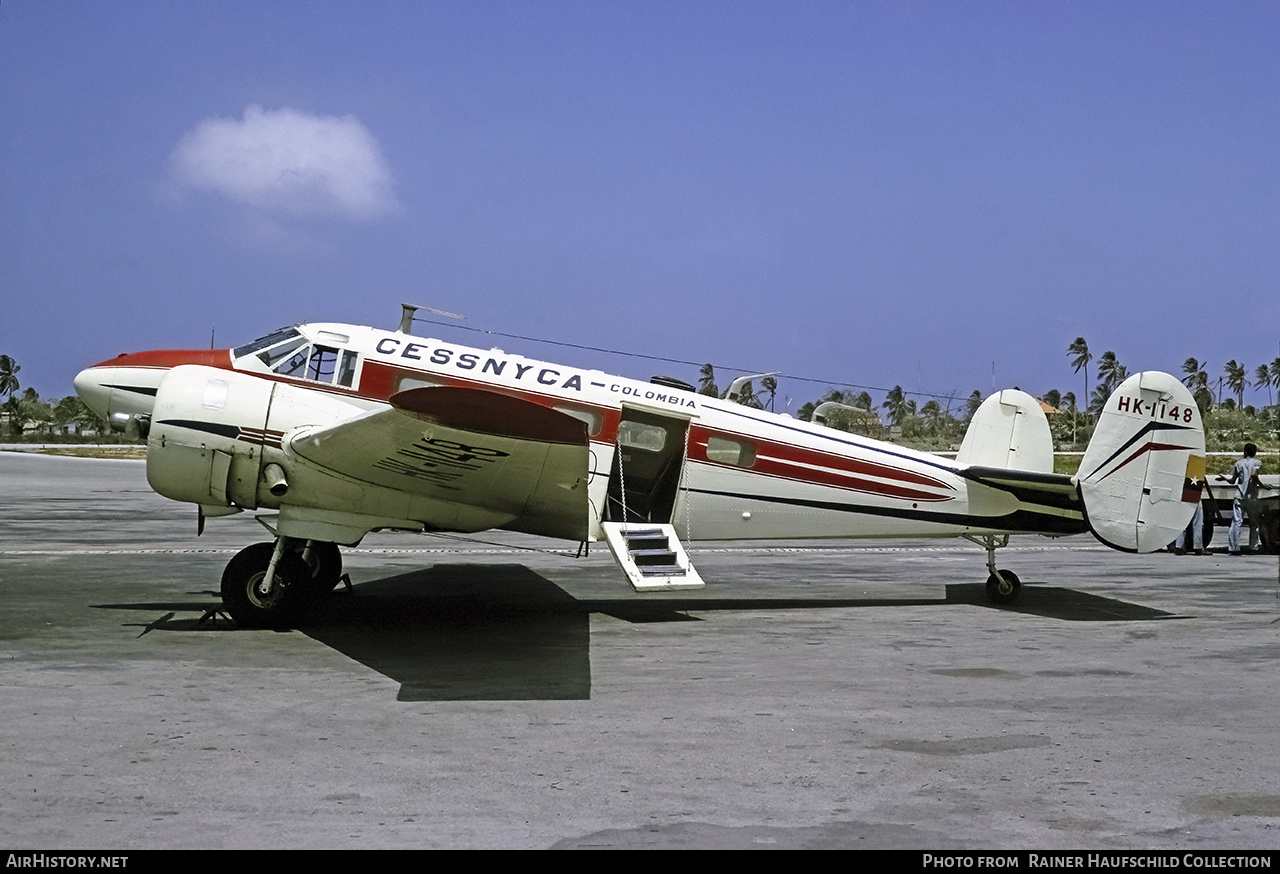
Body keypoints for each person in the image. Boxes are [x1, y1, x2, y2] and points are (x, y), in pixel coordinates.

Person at [1219, 444, 1274, 555]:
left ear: (1245, 452)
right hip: (1252, 497)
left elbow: (1232, 481)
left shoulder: (1238, 464)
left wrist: (1223, 478)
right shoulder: (1256, 462)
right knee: (1254, 524)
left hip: (1239, 496)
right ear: (1255, 452)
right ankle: (1253, 548)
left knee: (1236, 522)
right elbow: (1254, 474)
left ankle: (1234, 547)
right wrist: (1263, 486)